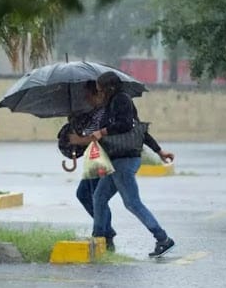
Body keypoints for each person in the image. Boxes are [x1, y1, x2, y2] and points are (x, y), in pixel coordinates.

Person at [68, 79, 174, 253]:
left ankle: (162, 238)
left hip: (125, 160)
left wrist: (102, 132)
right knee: (99, 198)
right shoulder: (112, 104)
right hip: (116, 160)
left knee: (132, 203)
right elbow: (139, 131)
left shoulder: (121, 100)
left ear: (109, 88)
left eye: (100, 89)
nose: (99, 93)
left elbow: (126, 125)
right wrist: (159, 151)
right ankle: (100, 238)